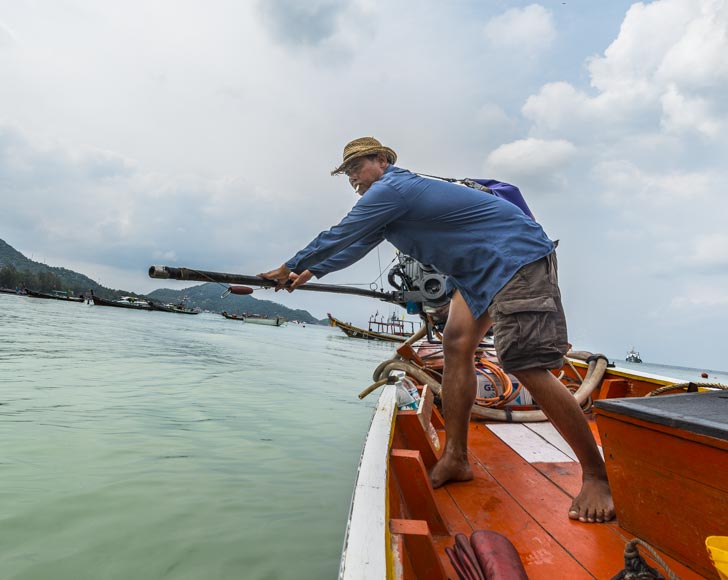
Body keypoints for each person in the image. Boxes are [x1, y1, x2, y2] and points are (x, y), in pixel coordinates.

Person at [259, 137, 614, 523]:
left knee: (525, 364)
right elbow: (356, 244)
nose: (352, 179)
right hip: (477, 274)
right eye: (346, 173)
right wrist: (309, 270)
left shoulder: (393, 188)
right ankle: (457, 458)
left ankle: (597, 476)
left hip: (515, 260)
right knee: (456, 343)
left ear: (381, 161)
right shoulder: (390, 205)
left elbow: (343, 230)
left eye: (356, 168)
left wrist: (289, 263)